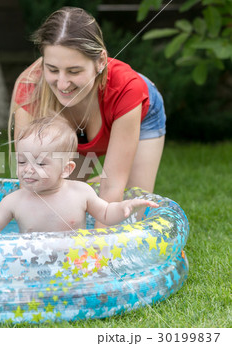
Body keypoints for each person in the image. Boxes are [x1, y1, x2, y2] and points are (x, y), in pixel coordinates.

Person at [9, 7, 166, 227]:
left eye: (74, 71)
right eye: (53, 70)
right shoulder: (30, 90)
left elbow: (112, 189)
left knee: (131, 210)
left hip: (135, 112)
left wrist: (95, 252)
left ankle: (94, 191)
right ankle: (90, 190)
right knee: (54, 194)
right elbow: (30, 187)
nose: (62, 84)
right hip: (80, 127)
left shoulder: (127, 90)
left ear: (101, 61)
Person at [0, 116, 157, 234]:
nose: (28, 169)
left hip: (74, 263)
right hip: (33, 264)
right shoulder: (14, 201)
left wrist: (124, 206)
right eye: (22, 161)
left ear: (66, 169)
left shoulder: (81, 193)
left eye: (40, 163)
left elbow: (107, 213)